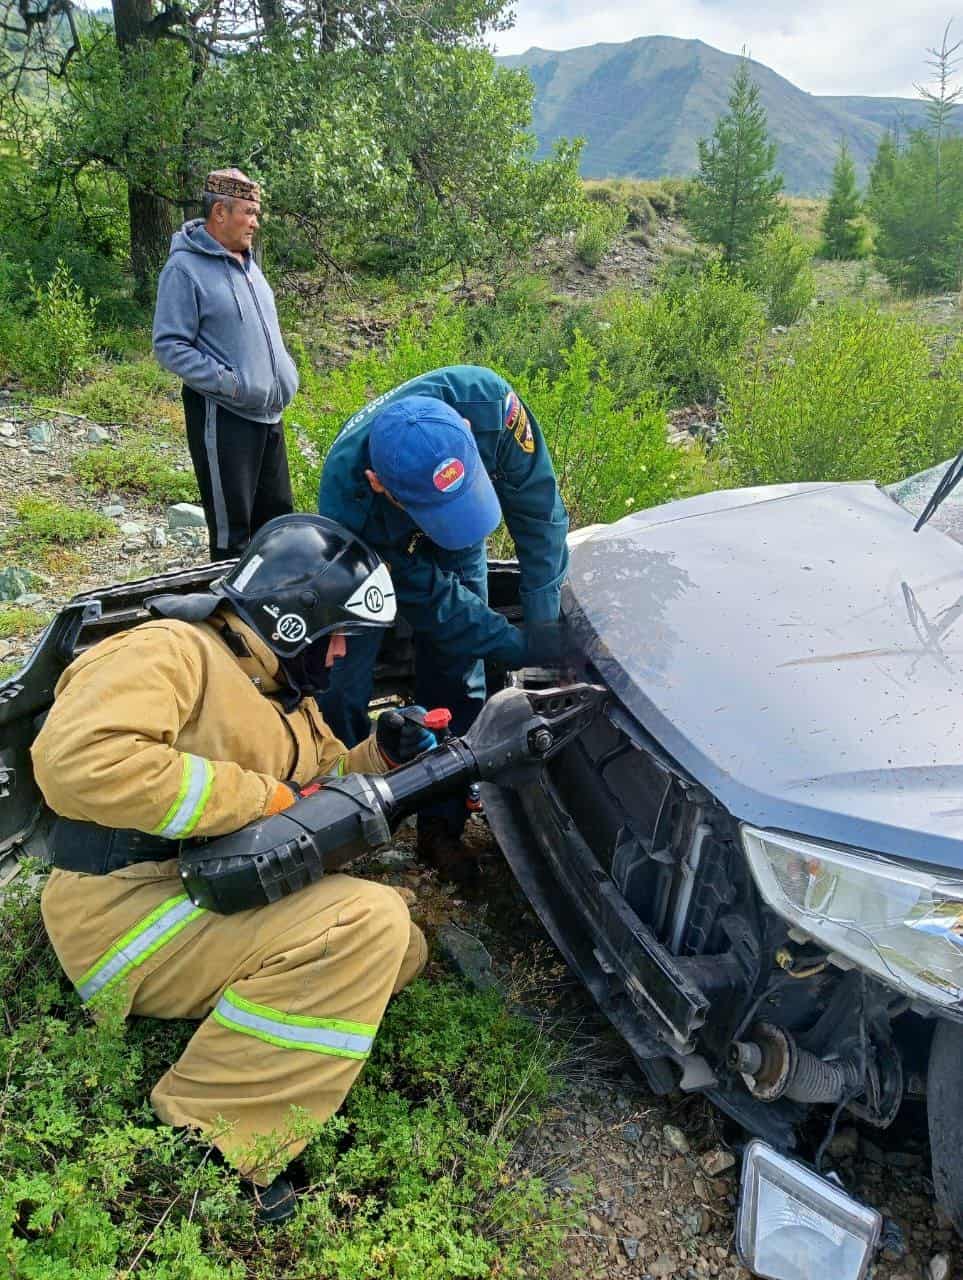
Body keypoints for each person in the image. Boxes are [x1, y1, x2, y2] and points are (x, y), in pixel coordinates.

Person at [31, 515, 436, 1223]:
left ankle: (251, 1041)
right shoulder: (169, 651)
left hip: (198, 894)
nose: (341, 654)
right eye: (337, 632)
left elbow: (318, 784)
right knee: (367, 920)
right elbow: (78, 765)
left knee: (402, 948)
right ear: (292, 620)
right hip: (120, 912)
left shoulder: (277, 694)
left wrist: (379, 757)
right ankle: (209, 1141)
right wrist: (256, 798)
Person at [317, 365, 569, 876]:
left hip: (449, 507)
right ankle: (346, 815)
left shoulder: (490, 407)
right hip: (373, 543)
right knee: (340, 681)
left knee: (458, 671)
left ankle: (441, 826)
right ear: (377, 483)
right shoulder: (351, 499)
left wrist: (542, 626)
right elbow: (437, 606)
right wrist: (515, 647)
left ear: (469, 436)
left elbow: (540, 517)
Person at [152, 168, 299, 561]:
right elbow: (169, 345)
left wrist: (284, 370)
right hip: (224, 415)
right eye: (248, 212)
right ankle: (229, 620)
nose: (255, 222)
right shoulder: (184, 269)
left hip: (269, 416)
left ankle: (270, 614)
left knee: (277, 524)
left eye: (257, 213)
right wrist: (231, 384)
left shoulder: (250, 265)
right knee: (233, 535)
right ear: (220, 212)